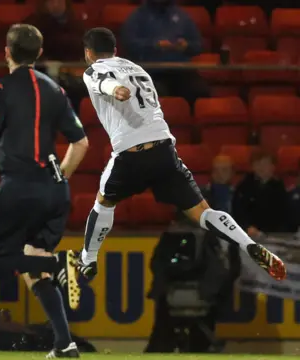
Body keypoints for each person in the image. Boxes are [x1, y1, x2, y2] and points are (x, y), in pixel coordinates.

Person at [77, 28, 286, 286]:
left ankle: (88, 259)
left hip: (131, 154)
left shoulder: (93, 70)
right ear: (116, 50)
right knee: (202, 211)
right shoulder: (138, 70)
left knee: (103, 202)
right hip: (164, 151)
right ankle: (249, 244)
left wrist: (116, 89)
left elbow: (104, 82)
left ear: (88, 52)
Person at [0, 24, 89, 358]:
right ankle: (65, 344)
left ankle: (59, 263)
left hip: (18, 187)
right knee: (34, 267)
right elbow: (81, 143)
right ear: (39, 53)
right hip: (54, 190)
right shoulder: (56, 91)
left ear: (7, 51)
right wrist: (60, 177)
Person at [122, 0, 208, 104]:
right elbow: (129, 44)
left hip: (181, 71)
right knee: (157, 95)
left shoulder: (182, 15)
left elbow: (198, 44)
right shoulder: (137, 16)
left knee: (199, 91)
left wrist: (186, 46)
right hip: (151, 71)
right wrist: (154, 45)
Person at [232, 151, 293, 237]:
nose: (261, 167)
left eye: (265, 164)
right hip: (249, 234)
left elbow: (285, 214)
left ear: (273, 166)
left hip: (274, 234)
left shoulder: (280, 187)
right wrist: (247, 227)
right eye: (257, 164)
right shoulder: (244, 186)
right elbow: (238, 211)